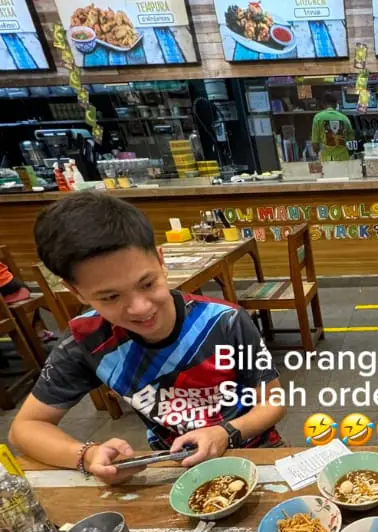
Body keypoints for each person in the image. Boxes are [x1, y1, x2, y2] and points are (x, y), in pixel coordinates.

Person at [9, 191, 285, 485]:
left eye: (147, 283)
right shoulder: (86, 341)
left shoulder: (224, 321)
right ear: (76, 292)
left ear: (161, 260)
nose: (140, 308)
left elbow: (273, 402)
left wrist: (224, 432)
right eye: (111, 296)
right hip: (178, 468)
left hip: (253, 450)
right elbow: (25, 428)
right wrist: (87, 456)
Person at [310, 91, 353, 162]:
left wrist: (317, 152)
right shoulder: (344, 118)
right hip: (343, 159)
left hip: (326, 160)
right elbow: (351, 141)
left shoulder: (318, 118)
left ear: (323, 104)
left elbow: (315, 144)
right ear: (336, 104)